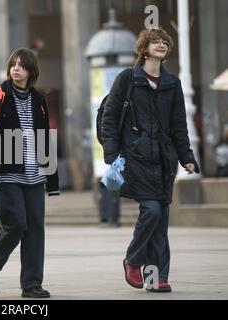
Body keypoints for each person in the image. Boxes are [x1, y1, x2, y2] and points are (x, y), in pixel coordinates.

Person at [101, 28, 200, 293]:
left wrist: (187, 157)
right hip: (135, 159)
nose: (161, 45)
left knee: (160, 220)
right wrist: (111, 155)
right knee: (152, 211)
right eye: (155, 41)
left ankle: (156, 278)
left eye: (165, 42)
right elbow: (110, 118)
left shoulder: (172, 83)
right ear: (144, 48)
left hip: (164, 161)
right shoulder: (127, 79)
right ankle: (133, 260)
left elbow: (179, 126)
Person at [0, 48, 59, 298]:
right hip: (5, 174)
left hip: (34, 175)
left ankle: (31, 284)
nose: (16, 69)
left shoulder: (38, 99)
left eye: (21, 65)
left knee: (35, 228)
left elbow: (45, 138)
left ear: (31, 71)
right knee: (16, 224)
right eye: (13, 64)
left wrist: (52, 179)